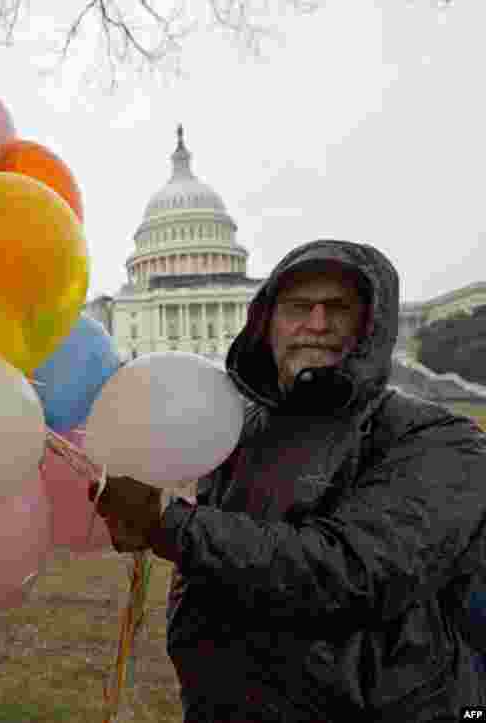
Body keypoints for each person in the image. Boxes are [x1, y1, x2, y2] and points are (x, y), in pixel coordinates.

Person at [90, 239, 486, 721]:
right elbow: (213, 569)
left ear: (371, 325)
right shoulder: (237, 431)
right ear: (266, 323)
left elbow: (349, 573)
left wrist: (168, 524)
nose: (316, 324)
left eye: (337, 308)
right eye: (299, 307)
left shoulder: (437, 438)